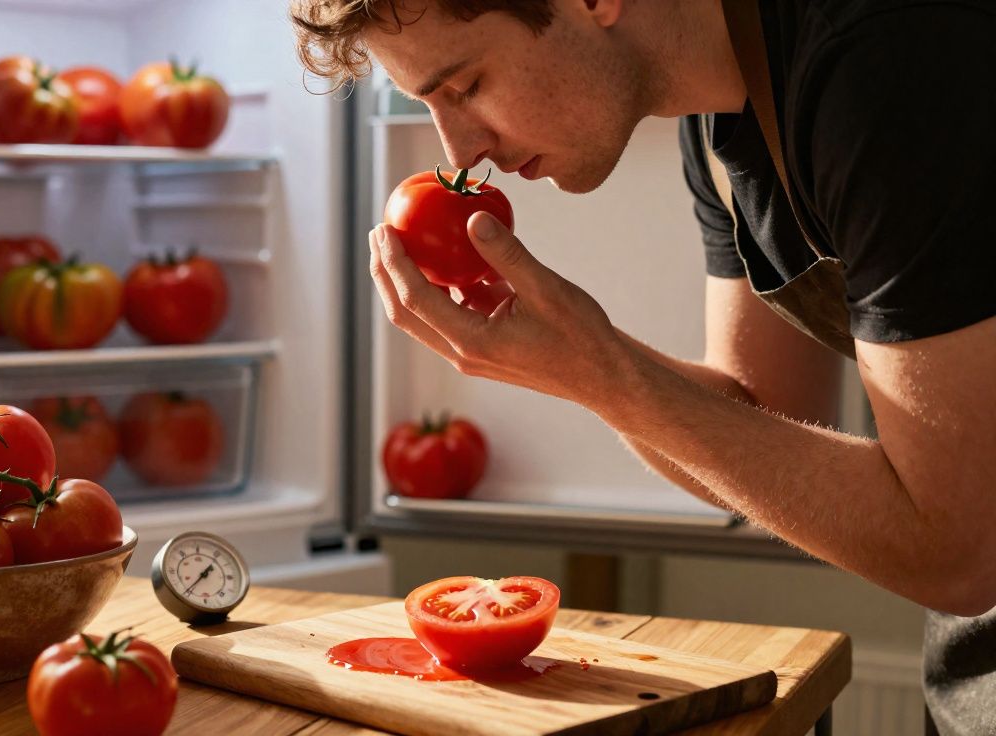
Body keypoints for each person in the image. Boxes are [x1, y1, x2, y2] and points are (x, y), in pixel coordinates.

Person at [290, 1, 996, 733]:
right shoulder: (718, 119)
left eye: (466, 86)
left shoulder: (883, 60)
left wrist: (602, 374)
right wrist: (575, 362)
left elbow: (957, 549)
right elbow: (759, 416)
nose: (460, 153)